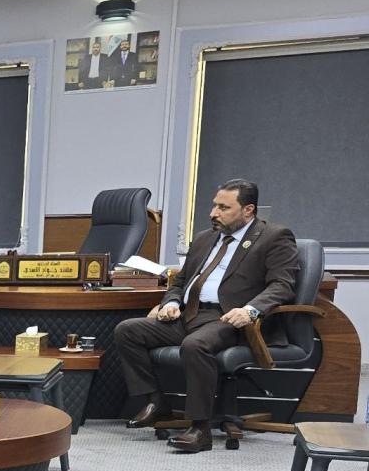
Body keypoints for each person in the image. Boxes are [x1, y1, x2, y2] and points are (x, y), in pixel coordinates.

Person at [113, 179, 298, 453]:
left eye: (224, 207)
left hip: (229, 319)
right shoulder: (204, 238)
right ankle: (156, 401)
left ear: (248, 210)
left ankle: (200, 429)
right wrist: (171, 302)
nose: (213, 213)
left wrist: (250, 310)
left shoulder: (274, 237)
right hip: (189, 314)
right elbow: (180, 281)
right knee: (128, 330)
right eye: (214, 205)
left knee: (195, 345)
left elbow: (282, 285)